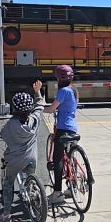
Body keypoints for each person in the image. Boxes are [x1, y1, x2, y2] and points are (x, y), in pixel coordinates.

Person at [0, 80, 45, 222]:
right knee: (30, 176)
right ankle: (34, 196)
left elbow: (3, 134)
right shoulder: (35, 120)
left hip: (15, 161)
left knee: (8, 183)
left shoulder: (11, 125)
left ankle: (6, 215)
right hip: (31, 158)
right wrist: (37, 91)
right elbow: (40, 105)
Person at [43, 65, 79, 204]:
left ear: (57, 77)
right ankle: (72, 188)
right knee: (70, 157)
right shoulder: (74, 90)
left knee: (57, 159)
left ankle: (57, 193)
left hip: (62, 128)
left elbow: (52, 109)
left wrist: (39, 109)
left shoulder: (63, 91)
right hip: (73, 128)